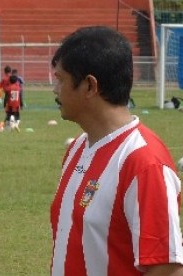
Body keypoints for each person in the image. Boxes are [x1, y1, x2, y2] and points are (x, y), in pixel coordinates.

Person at [50, 26, 183, 275]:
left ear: (90, 86)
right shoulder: (77, 148)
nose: (54, 90)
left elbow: (167, 268)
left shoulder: (144, 163)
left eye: (60, 80)